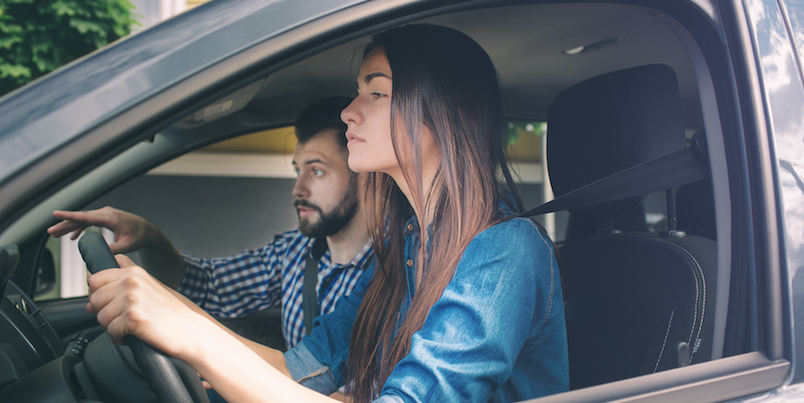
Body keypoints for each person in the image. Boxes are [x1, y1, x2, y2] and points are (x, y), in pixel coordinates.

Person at [84, 24, 569, 402]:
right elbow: (301, 369)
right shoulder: (405, 249)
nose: (349, 112)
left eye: (376, 92)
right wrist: (165, 308)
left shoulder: (506, 250)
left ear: (446, 114)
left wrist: (192, 335)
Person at [48, 96, 373, 350]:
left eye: (316, 171)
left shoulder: (396, 271)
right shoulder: (294, 252)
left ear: (364, 176)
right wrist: (150, 236)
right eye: (297, 170)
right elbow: (206, 285)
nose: (298, 189)